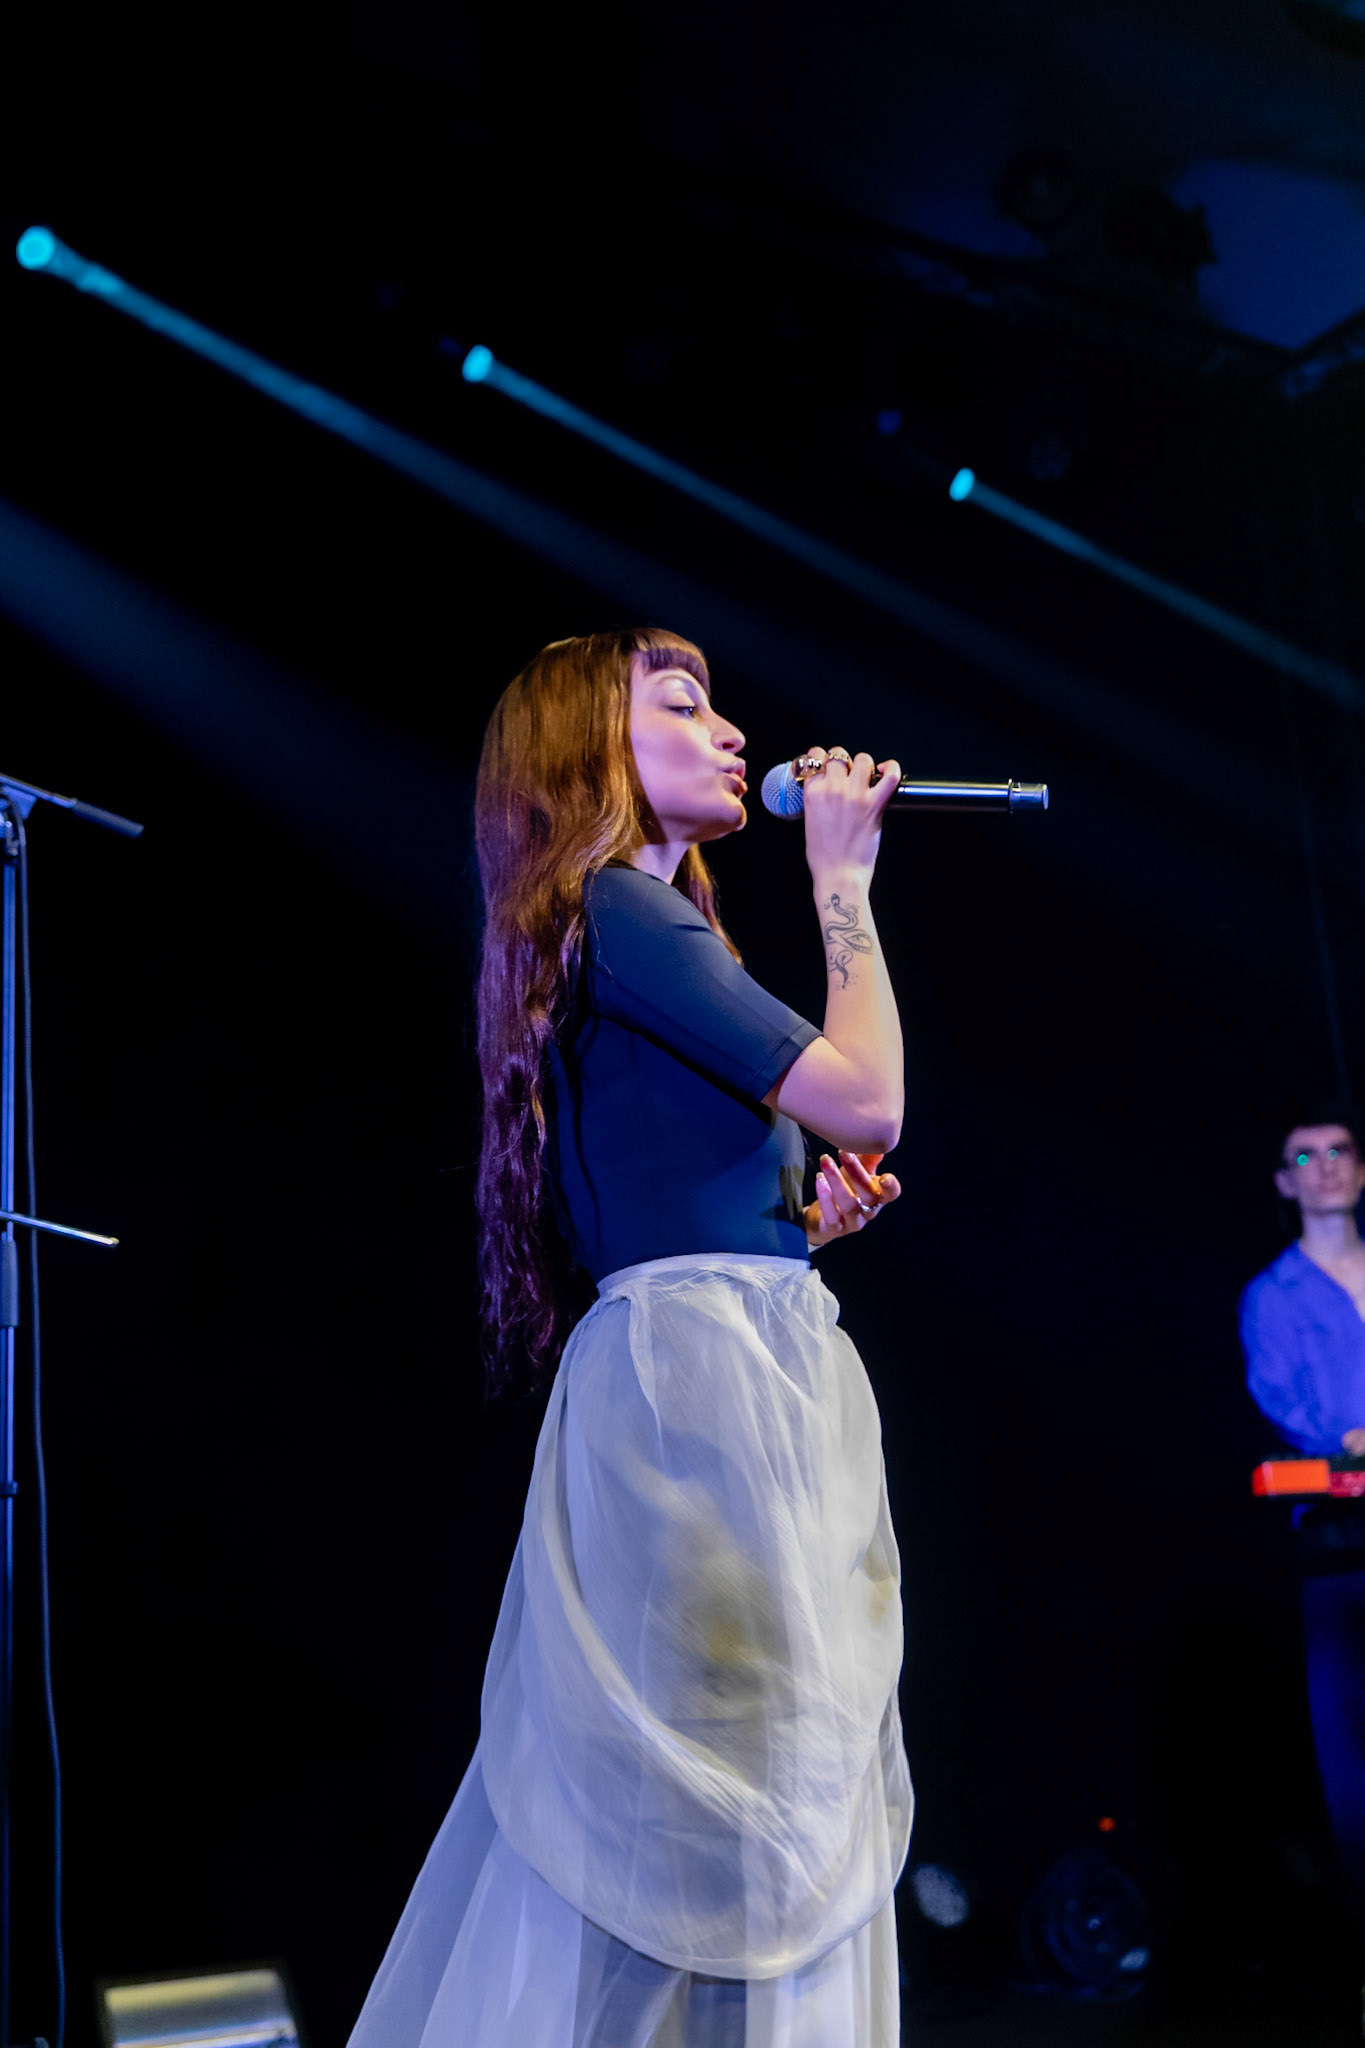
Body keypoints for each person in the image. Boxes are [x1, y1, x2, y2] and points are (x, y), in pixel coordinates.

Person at [346, 628, 913, 2047]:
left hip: (712, 1348)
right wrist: (844, 884)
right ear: (591, 747)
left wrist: (800, 1225)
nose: (729, 730)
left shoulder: (623, 926)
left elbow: (672, 1195)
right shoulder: (623, 907)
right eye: (682, 702)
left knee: (729, 1763)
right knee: (750, 1766)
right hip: (710, 1374)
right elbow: (869, 1098)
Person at [1240, 1105, 1365, 1925]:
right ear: (1286, 1182)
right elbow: (1305, 1419)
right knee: (1353, 1756)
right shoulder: (1270, 1295)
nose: (1324, 1165)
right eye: (1304, 1155)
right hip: (1340, 1542)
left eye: (1338, 1150)